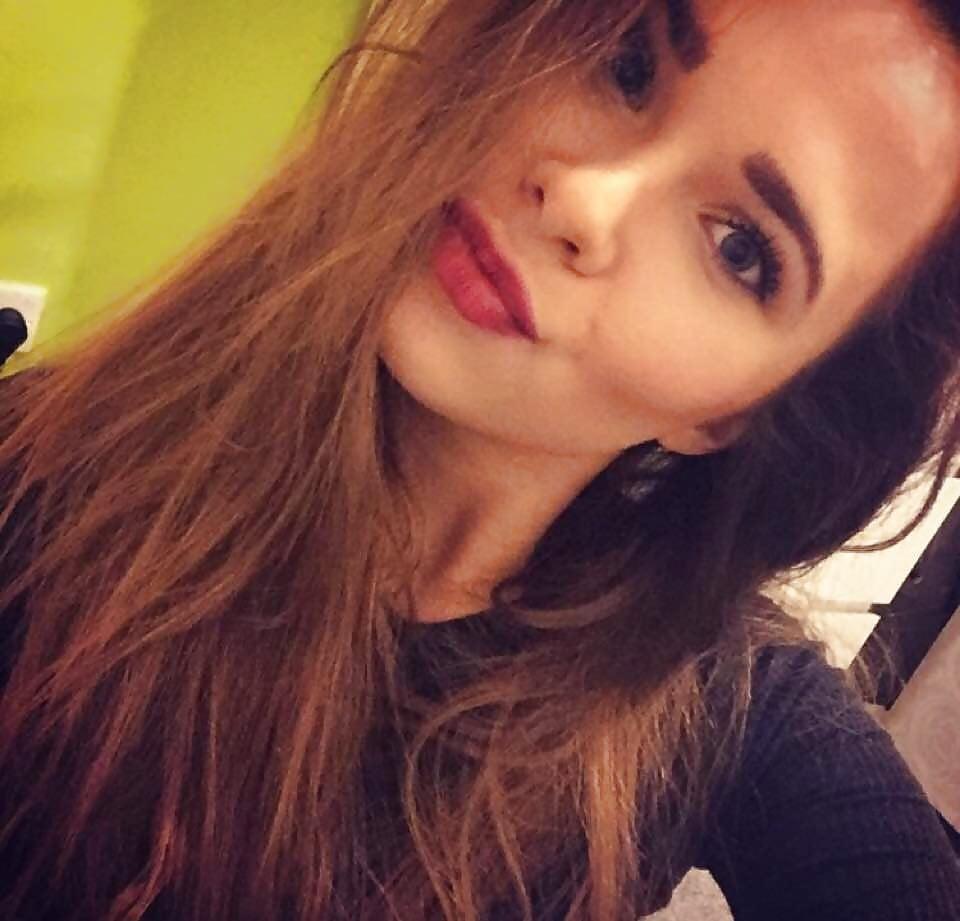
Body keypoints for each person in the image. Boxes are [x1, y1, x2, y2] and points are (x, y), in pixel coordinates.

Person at [1, 0, 959, 918]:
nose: (582, 195)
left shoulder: (716, 703)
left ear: (737, 415)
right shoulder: (44, 473)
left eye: (741, 248)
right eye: (627, 65)